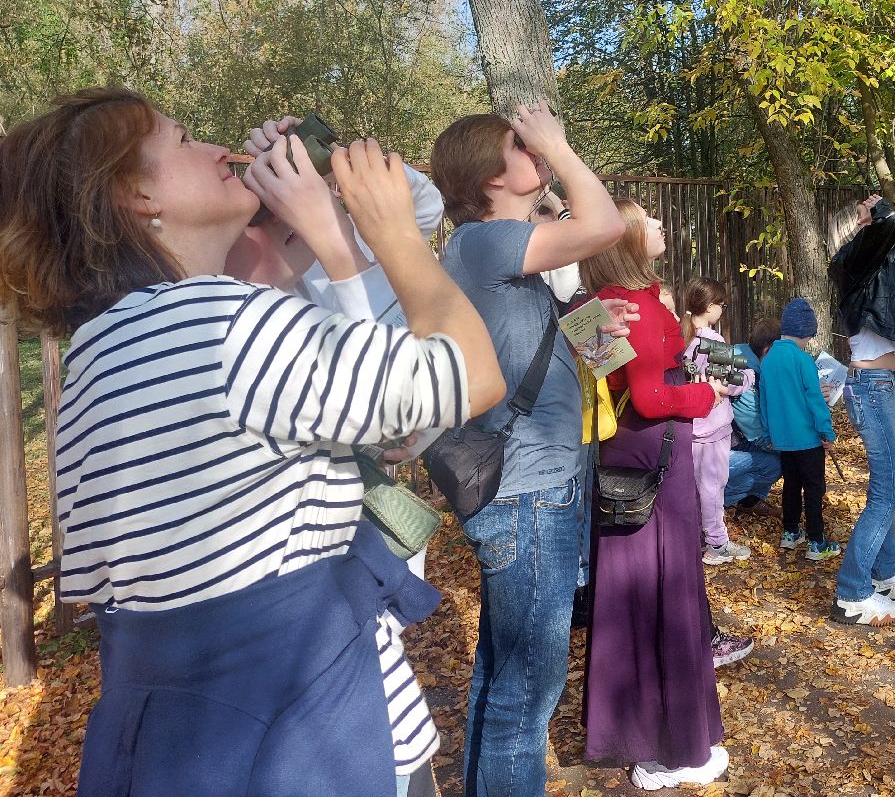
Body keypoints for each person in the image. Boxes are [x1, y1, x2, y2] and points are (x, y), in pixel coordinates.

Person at [0, 88, 504, 797]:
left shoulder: (101, 349)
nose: (214, 148)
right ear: (133, 195)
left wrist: (322, 204)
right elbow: (472, 377)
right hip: (316, 744)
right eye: (181, 141)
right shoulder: (219, 326)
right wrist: (390, 235)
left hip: (182, 747)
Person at [224, 115, 451, 797]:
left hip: (361, 538)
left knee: (382, 671)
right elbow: (419, 392)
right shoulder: (247, 305)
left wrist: (330, 151)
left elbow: (422, 200)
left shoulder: (346, 240)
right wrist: (326, 236)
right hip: (309, 594)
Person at [429, 103, 625, 797]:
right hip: (528, 496)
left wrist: (594, 323)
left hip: (538, 489)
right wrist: (562, 148)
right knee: (525, 700)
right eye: (522, 147)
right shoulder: (484, 241)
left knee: (502, 675)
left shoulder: (501, 249)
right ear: (489, 174)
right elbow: (607, 225)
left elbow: (576, 351)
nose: (536, 154)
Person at [579, 199, 731, 791]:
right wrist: (706, 395)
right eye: (650, 219)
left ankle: (639, 734)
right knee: (666, 594)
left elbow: (603, 378)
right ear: (624, 237)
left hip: (627, 461)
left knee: (630, 598)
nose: (663, 225)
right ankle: (674, 748)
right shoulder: (634, 307)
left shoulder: (608, 303)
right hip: (653, 463)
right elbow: (646, 398)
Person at [827, 195, 895, 627]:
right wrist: (876, 216)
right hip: (874, 385)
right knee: (888, 491)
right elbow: (885, 234)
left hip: (884, 384)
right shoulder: (854, 262)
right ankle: (852, 592)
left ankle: (885, 574)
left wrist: (885, 216)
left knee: (888, 486)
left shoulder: (878, 268)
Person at [680, 276, 757, 565]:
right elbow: (732, 383)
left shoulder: (683, 337)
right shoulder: (712, 341)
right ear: (711, 307)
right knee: (713, 483)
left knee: (696, 484)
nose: (722, 310)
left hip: (691, 425)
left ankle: (697, 536)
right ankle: (716, 543)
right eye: (721, 305)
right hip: (712, 425)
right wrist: (749, 375)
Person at [760, 298, 842, 566]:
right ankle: (817, 541)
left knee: (791, 486)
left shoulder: (769, 358)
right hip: (808, 439)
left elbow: (764, 401)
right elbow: (815, 401)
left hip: (783, 439)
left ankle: (791, 531)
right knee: (815, 488)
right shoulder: (803, 360)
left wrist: (769, 433)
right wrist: (827, 432)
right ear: (806, 332)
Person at [725, 318, 783, 512]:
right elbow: (757, 433)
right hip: (718, 450)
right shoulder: (743, 375)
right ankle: (712, 498)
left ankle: (751, 499)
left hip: (732, 439)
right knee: (776, 465)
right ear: (768, 350)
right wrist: (795, 449)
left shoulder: (748, 358)